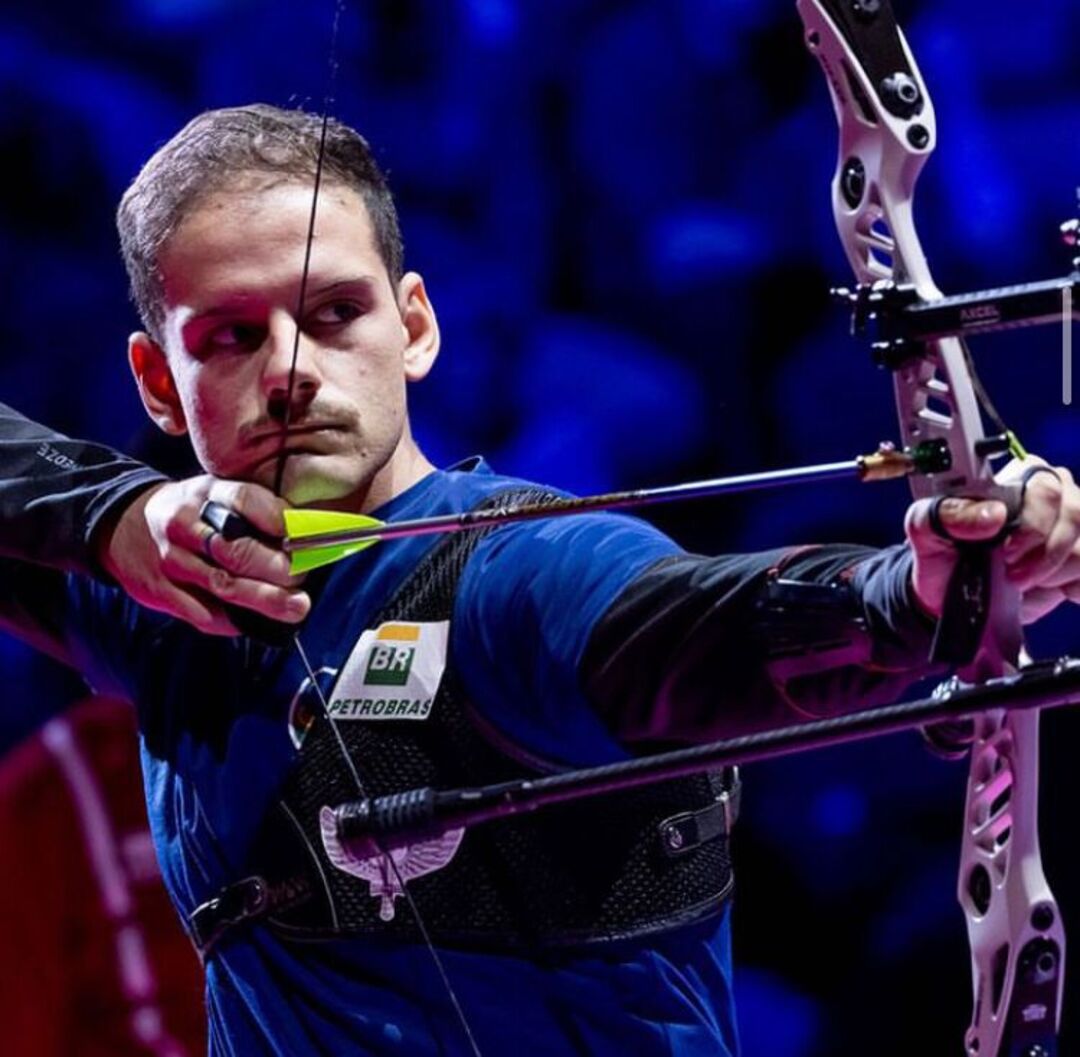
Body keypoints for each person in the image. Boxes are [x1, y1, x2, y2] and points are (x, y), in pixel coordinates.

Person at [0, 103, 1077, 1056]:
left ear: (413, 326)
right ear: (156, 378)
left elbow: (693, 630)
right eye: (233, 337)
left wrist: (918, 596)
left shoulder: (516, 572)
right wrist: (111, 515)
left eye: (334, 314)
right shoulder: (166, 590)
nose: (289, 369)